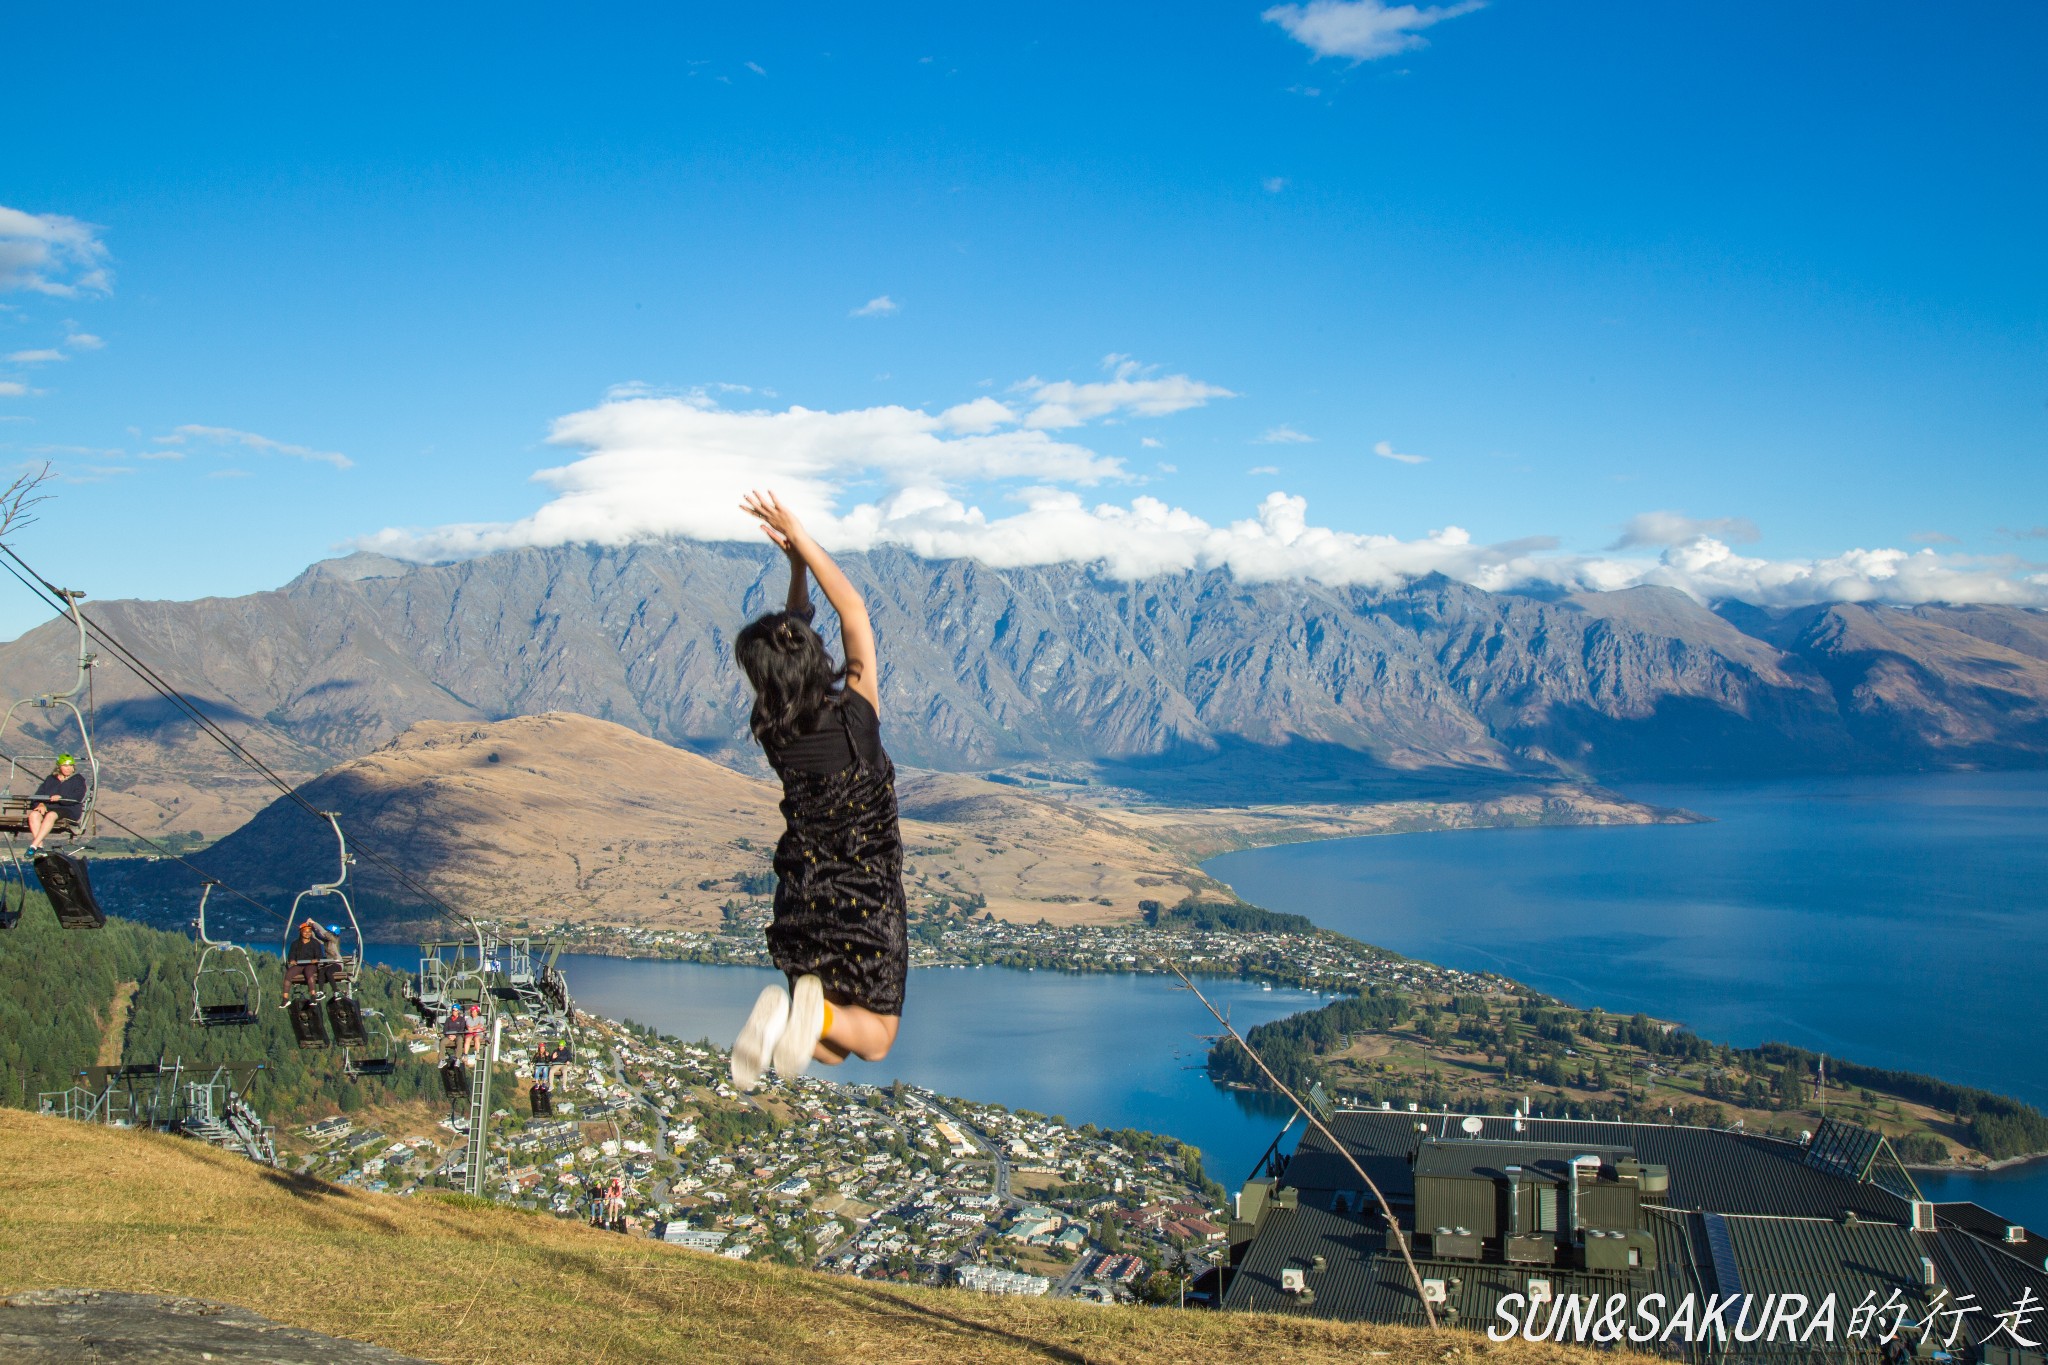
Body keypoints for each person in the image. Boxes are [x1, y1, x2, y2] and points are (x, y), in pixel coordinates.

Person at [727, 489, 907, 1090]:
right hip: (862, 893)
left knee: (826, 1052)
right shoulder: (858, 714)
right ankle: (800, 1015)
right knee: (875, 1040)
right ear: (810, 658)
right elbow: (852, 608)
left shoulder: (774, 733)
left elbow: (798, 628)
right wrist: (801, 541)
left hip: (808, 892)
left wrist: (797, 569)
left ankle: (791, 1016)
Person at [25, 753, 86, 853]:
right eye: (65, 766)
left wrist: (61, 798)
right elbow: (39, 794)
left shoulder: (78, 780)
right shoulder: (51, 779)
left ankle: (33, 845)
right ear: (59, 767)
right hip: (50, 806)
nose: (68, 768)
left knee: (51, 815)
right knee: (34, 815)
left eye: (70, 766)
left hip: (68, 808)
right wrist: (40, 804)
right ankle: (39, 847)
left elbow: (78, 796)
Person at [281, 919, 339, 1005]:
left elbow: (318, 954)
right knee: (288, 974)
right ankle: (285, 999)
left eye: (309, 931)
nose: (307, 933)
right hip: (299, 965)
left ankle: (313, 996)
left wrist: (316, 960)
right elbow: (291, 955)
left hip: (310, 965)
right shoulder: (295, 944)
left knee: (309, 973)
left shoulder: (315, 943)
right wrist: (292, 960)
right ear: (301, 932)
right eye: (305, 931)